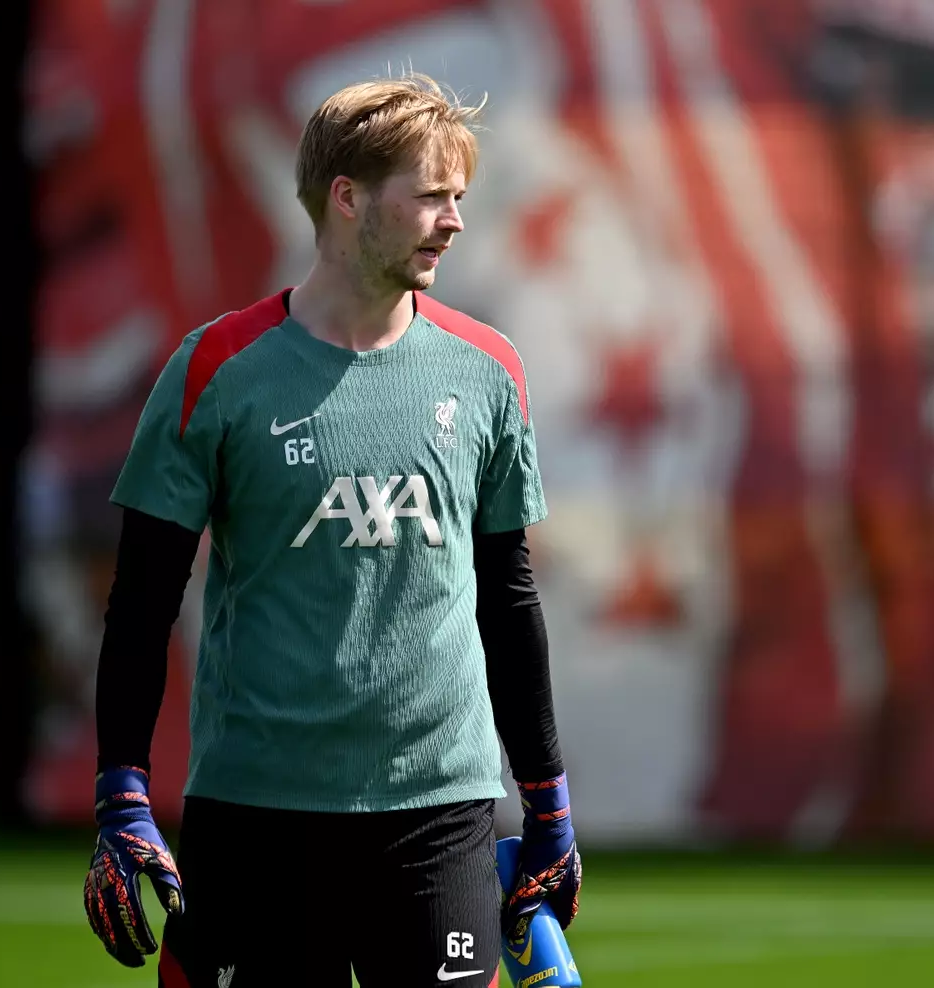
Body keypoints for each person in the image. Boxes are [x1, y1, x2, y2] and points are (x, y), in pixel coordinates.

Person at [82, 72, 580, 988]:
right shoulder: (215, 372)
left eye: (459, 198)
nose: (454, 220)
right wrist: (122, 794)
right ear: (347, 198)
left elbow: (509, 602)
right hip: (255, 817)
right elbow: (141, 605)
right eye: (432, 195)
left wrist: (546, 806)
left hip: (439, 821)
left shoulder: (488, 372)